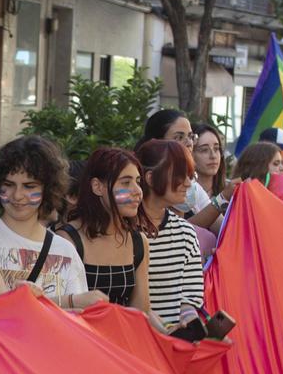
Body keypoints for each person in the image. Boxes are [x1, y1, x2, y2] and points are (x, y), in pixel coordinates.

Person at [0, 136, 103, 310]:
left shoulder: (66, 250)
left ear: (48, 189)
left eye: (29, 186)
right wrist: (69, 301)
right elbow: (2, 304)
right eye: (8, 184)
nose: (17, 195)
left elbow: (75, 320)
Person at [57, 147, 150, 310]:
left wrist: (169, 330)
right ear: (97, 187)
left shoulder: (138, 242)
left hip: (124, 333)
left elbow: (142, 312)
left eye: (138, 181)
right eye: (126, 182)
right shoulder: (68, 240)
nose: (137, 191)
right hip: (80, 333)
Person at [136, 139, 205, 331]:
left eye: (190, 175)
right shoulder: (123, 231)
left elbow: (190, 296)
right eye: (179, 175)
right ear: (149, 178)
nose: (187, 183)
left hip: (172, 342)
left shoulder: (186, 233)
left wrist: (188, 320)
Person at [190, 123, 231, 229]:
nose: (213, 156)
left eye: (216, 149)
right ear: (190, 154)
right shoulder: (182, 192)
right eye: (204, 150)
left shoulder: (231, 190)